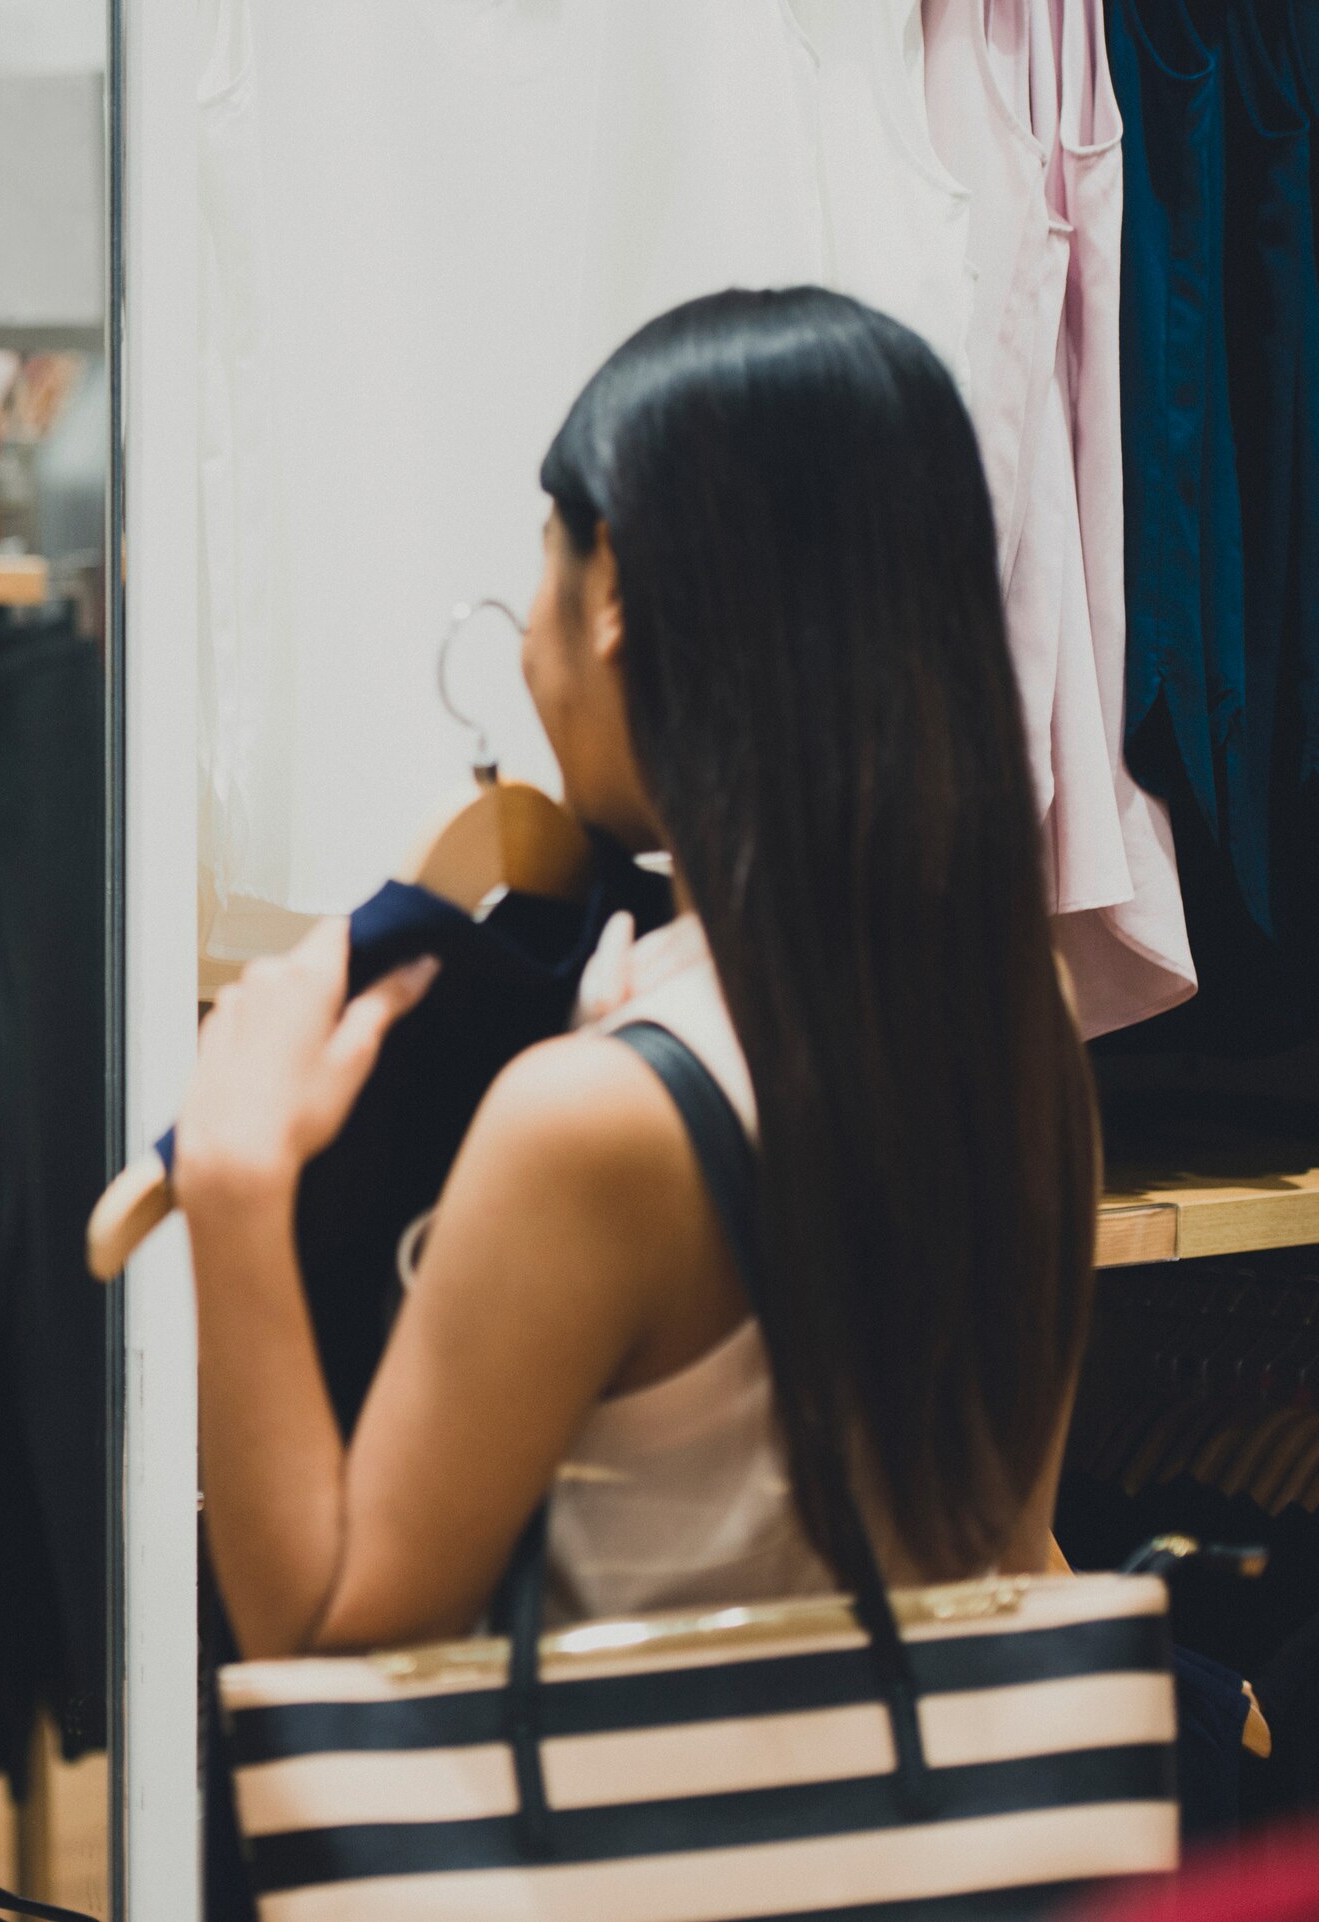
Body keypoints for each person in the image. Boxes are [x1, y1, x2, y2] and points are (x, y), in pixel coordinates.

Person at [177, 287, 1097, 1658]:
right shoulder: (1019, 1012)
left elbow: (330, 1642)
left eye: (544, 565)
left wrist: (236, 1184)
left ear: (610, 588)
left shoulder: (599, 1119)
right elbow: (1004, 1535)